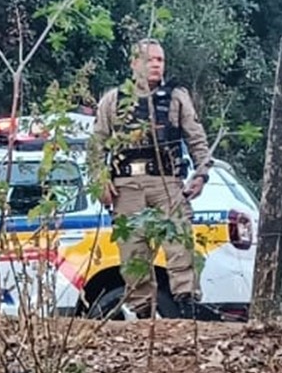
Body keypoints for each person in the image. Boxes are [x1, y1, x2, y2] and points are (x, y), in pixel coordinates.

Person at [88, 39, 215, 319]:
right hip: (126, 186)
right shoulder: (113, 100)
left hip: (167, 183)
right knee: (133, 253)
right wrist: (99, 179)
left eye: (161, 60)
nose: (157, 64)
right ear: (134, 63)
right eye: (150, 59)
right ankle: (143, 310)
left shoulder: (176, 96)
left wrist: (201, 174)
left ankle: (187, 303)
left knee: (179, 243)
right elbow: (96, 143)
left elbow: (196, 138)